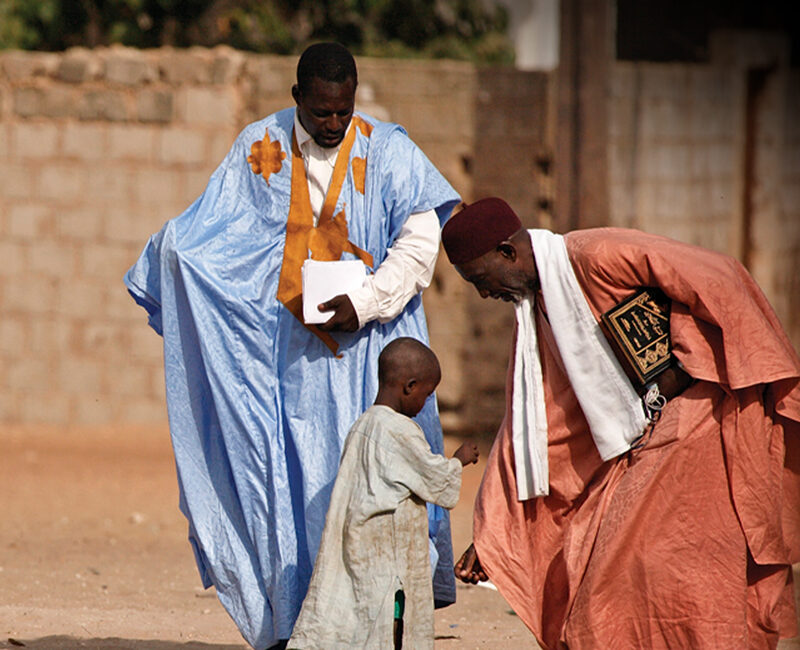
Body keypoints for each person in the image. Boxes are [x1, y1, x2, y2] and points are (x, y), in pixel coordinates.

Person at [124, 43, 460, 649]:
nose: (333, 125)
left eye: (343, 112)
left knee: (374, 490)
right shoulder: (262, 147)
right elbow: (217, 233)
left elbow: (419, 243)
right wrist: (171, 261)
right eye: (321, 112)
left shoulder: (388, 150)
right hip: (286, 367)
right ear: (297, 98)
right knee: (285, 487)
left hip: (372, 359)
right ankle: (292, 626)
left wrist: (365, 303)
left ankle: (381, 628)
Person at [441, 197, 800, 649]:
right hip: (642, 437)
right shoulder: (538, 312)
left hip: (701, 415)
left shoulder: (596, 255)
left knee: (621, 584)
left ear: (507, 253)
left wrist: (695, 361)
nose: (483, 294)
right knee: (598, 571)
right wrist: (493, 535)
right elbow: (534, 425)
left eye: (480, 279)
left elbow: (718, 275)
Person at [287, 338, 479, 649]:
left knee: (360, 615)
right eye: (427, 395)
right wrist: (458, 459)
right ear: (409, 386)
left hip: (360, 543)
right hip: (386, 552)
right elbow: (435, 481)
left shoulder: (363, 425)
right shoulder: (399, 431)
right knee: (390, 614)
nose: (426, 403)